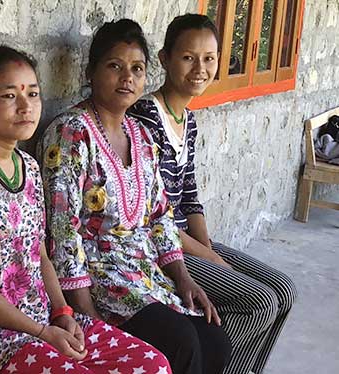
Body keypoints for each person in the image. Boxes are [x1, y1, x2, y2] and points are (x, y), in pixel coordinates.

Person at [0, 46, 171, 374]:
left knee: (152, 364)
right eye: (9, 96)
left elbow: (38, 253)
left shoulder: (27, 166)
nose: (26, 107)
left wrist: (62, 314)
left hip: (42, 322)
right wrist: (41, 332)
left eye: (33, 94)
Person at [39, 19, 231, 374]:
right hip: (100, 282)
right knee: (181, 342)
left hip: (145, 274)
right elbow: (62, 232)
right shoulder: (69, 134)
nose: (127, 77)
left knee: (215, 338)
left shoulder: (141, 135)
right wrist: (86, 313)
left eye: (137, 68)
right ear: (92, 72)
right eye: (115, 66)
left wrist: (184, 277)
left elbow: (160, 216)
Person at [128, 14, 297, 374]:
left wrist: (210, 248)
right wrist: (207, 256)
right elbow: (148, 213)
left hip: (188, 241)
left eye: (209, 58)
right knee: (259, 302)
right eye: (188, 57)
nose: (200, 69)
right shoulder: (145, 117)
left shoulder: (187, 120)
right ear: (164, 58)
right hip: (159, 245)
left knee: (284, 290)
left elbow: (189, 194)